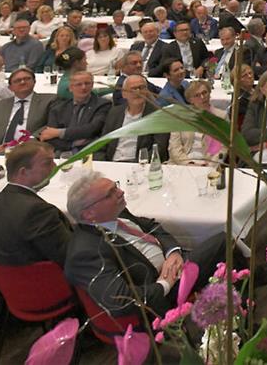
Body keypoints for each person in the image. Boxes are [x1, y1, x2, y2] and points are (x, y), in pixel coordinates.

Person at [64, 173, 239, 318]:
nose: (121, 192)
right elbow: (121, 301)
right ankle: (242, 310)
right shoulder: (86, 252)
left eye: (116, 186)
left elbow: (153, 227)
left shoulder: (115, 213)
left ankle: (243, 298)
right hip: (160, 294)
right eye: (110, 193)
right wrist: (165, 283)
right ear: (89, 213)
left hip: (174, 262)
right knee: (222, 243)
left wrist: (173, 252)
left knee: (223, 244)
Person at [0, 141, 72, 267]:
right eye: (47, 163)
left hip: (5, 283)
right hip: (43, 282)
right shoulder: (38, 212)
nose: (54, 167)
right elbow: (69, 255)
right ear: (23, 172)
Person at [0, 67, 53, 153]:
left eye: (27, 79)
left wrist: (31, 139)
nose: (23, 82)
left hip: (31, 150)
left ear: (34, 82)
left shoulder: (49, 100)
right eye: (17, 80)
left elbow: (53, 124)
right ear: (10, 87)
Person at [99, 74, 169, 162]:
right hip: (112, 162)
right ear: (124, 94)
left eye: (142, 88)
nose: (138, 92)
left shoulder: (158, 115)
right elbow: (102, 143)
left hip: (140, 164)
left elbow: (159, 149)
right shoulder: (115, 113)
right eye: (133, 89)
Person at [39, 70, 111, 155]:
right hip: (63, 152)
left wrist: (59, 133)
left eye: (87, 83)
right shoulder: (58, 108)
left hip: (91, 152)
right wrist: (73, 144)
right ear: (70, 88)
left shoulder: (103, 105)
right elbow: (49, 136)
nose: (83, 87)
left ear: (92, 85)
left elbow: (92, 129)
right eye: (79, 84)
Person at [168, 81, 226, 165]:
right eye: (197, 95)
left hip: (208, 164)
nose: (202, 97)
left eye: (205, 92)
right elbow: (174, 147)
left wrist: (210, 165)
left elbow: (222, 148)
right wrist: (189, 164)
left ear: (209, 93)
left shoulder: (220, 117)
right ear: (190, 100)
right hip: (183, 163)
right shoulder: (180, 117)